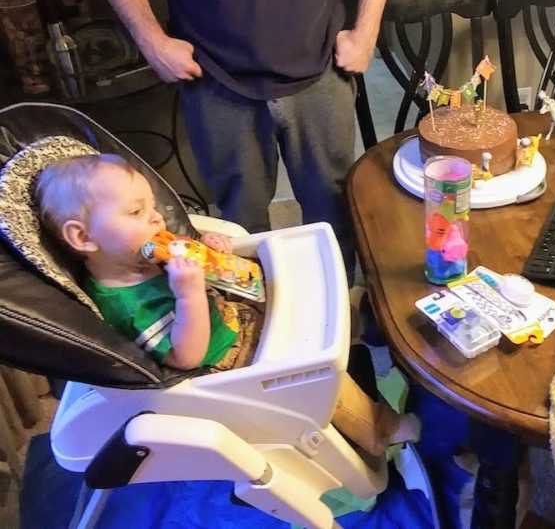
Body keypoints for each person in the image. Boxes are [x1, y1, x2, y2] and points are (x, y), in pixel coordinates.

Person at [81, 0, 395, 274]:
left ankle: (337, 316)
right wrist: (151, 41)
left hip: (319, 69)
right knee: (236, 225)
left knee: (333, 209)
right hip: (214, 77)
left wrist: (366, 31)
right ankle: (257, 316)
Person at [35, 154, 420, 457]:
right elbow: (187, 355)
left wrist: (208, 247)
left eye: (151, 206)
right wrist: (188, 293)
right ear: (83, 237)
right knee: (317, 380)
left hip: (236, 312)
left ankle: (351, 327)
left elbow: (200, 251)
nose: (155, 217)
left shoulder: (135, 255)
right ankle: (381, 429)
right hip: (229, 361)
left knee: (307, 291)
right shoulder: (125, 305)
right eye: (136, 212)